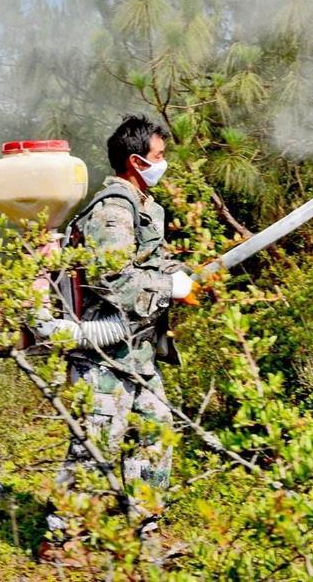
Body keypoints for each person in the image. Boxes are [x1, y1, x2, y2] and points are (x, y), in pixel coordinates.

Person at [43, 114, 196, 540]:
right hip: (102, 353)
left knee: (156, 432)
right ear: (135, 160)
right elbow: (112, 278)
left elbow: (150, 262)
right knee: (96, 447)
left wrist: (187, 276)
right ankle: (60, 537)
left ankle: (146, 528)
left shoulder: (147, 207)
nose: (164, 163)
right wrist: (170, 286)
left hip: (138, 351)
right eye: (159, 156)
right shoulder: (113, 209)